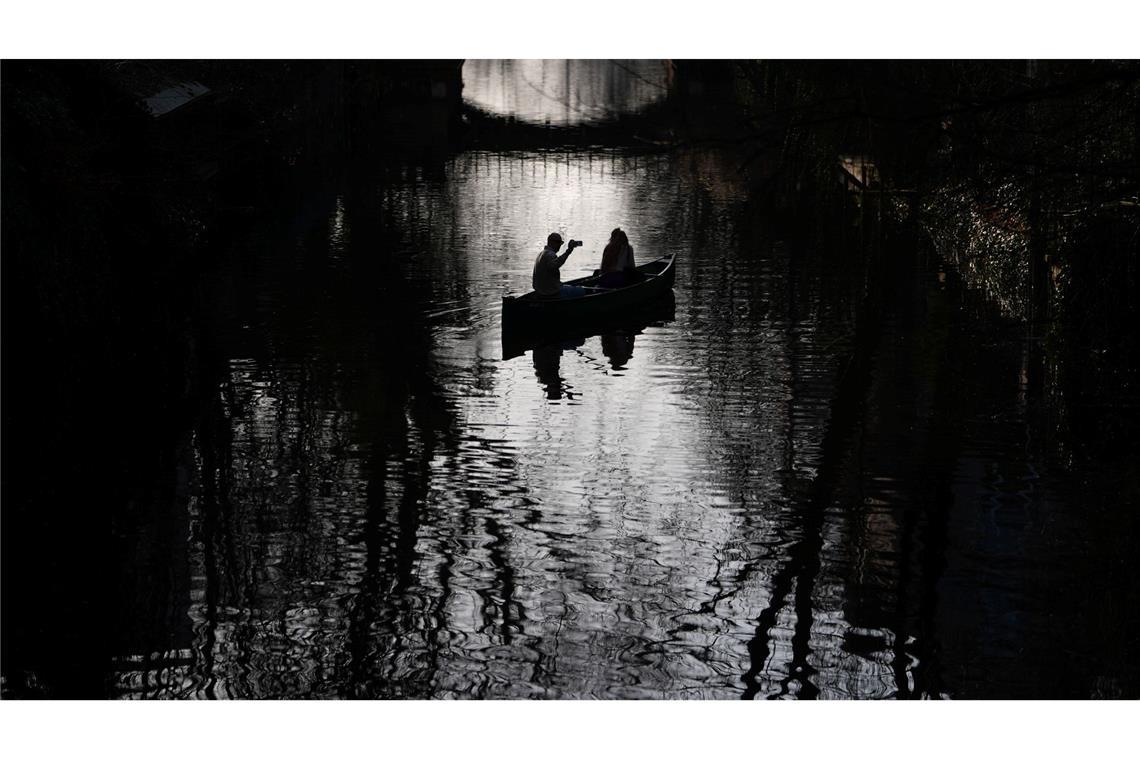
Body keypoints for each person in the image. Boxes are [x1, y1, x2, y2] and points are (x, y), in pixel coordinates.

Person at [532, 232, 586, 298]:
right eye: (558, 242)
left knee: (570, 287)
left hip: (540, 290)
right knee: (581, 291)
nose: (560, 245)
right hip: (550, 292)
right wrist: (569, 251)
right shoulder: (550, 254)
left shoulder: (541, 254)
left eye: (561, 243)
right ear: (551, 242)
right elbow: (556, 264)